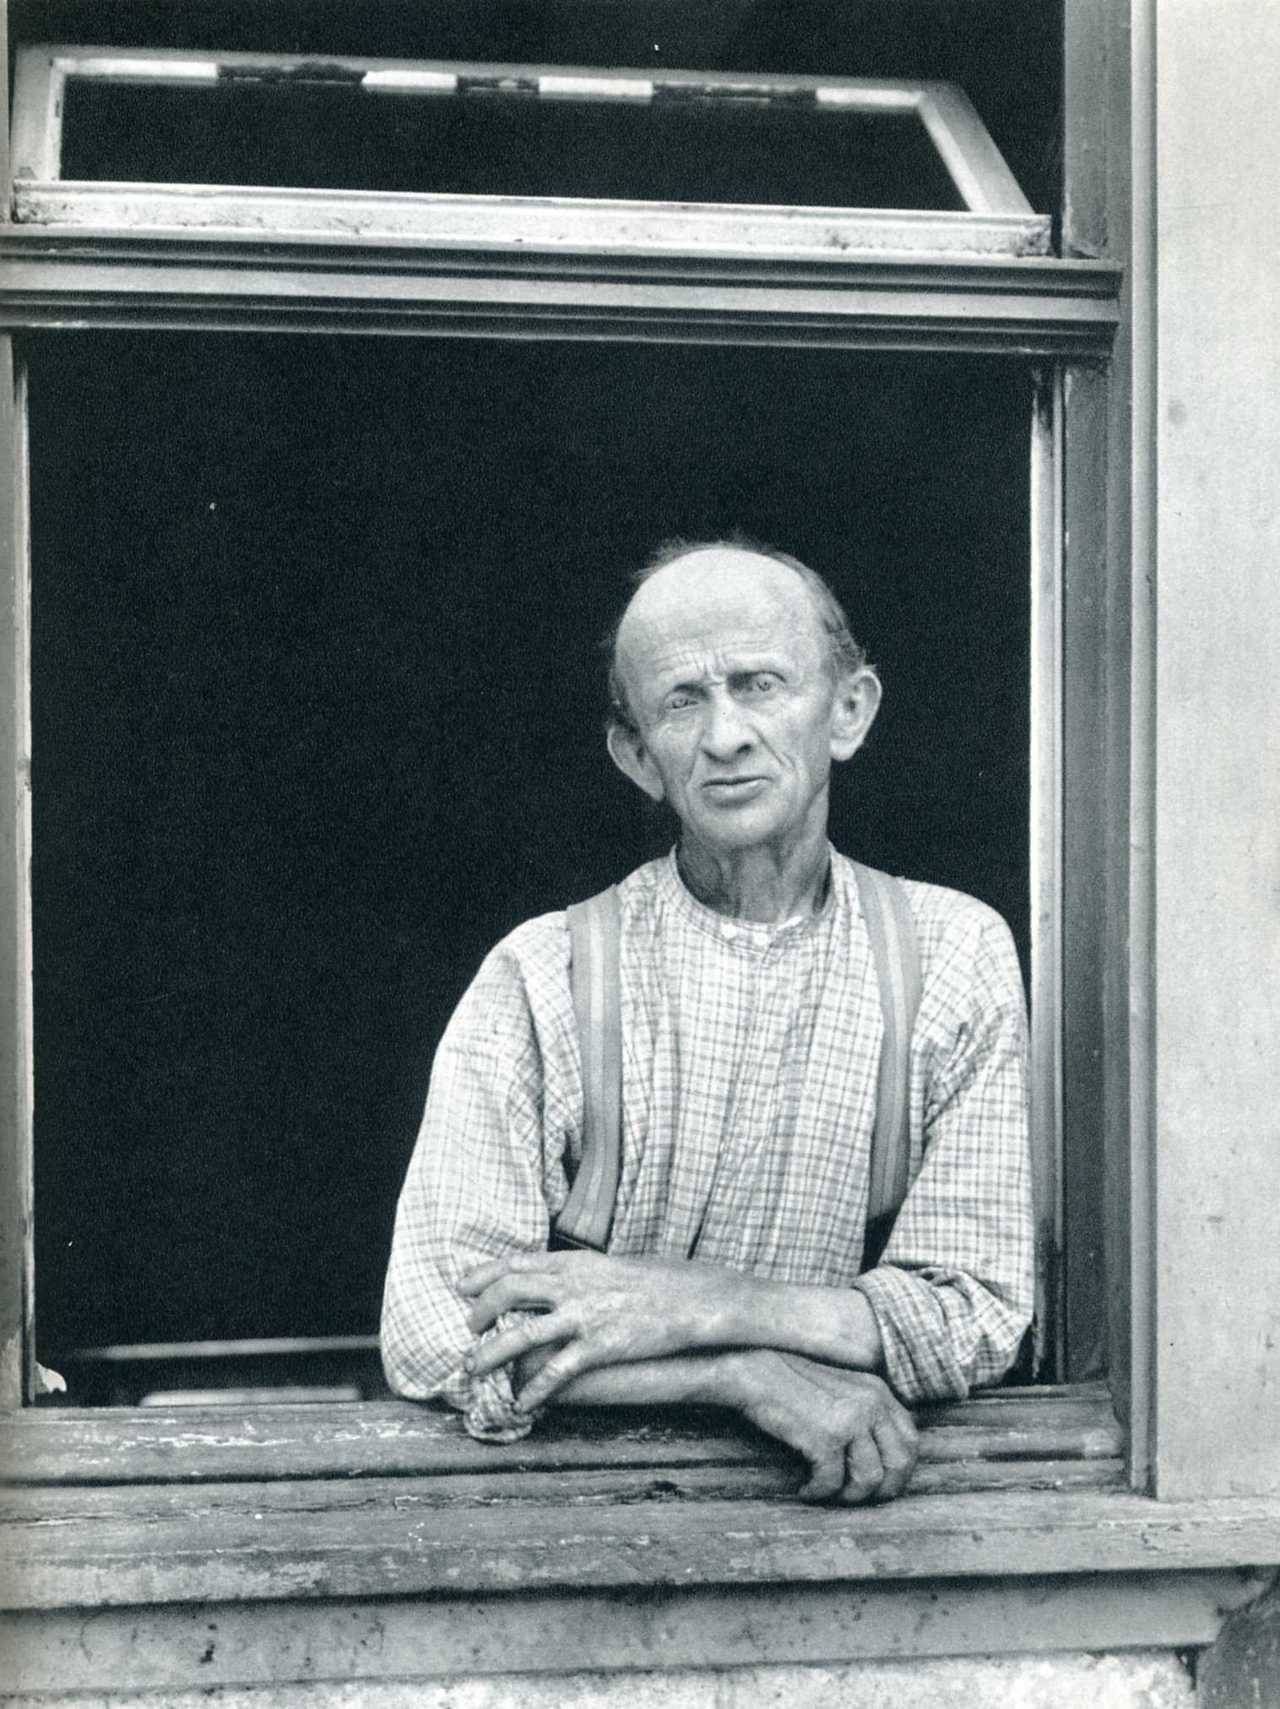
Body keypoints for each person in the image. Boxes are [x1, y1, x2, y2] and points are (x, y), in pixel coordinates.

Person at [381, 539, 1033, 1504]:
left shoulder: (950, 952)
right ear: (638, 755)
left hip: (857, 1502)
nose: (725, 733)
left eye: (760, 684)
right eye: (683, 700)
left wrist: (691, 1302)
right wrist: (738, 1372)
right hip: (576, 1515)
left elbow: (975, 1312)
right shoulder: (546, 974)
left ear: (848, 712)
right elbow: (435, 1330)